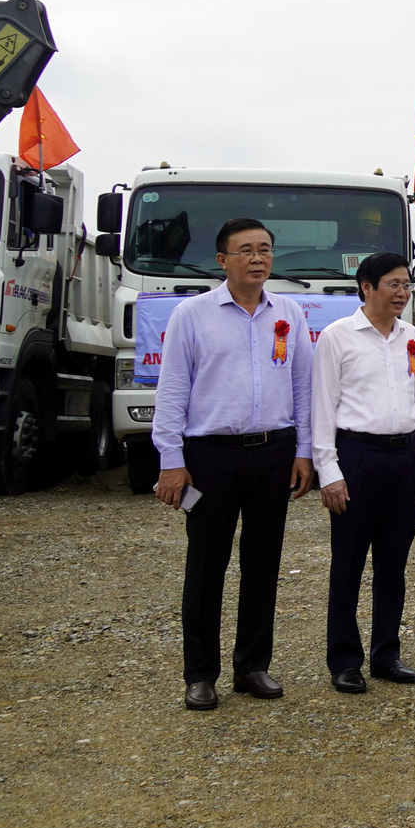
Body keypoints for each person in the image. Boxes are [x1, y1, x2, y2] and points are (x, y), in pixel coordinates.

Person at [152, 217, 315, 711]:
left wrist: (303, 451)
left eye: (265, 249)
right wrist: (171, 460)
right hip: (211, 456)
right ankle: (201, 673)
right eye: (245, 250)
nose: (258, 258)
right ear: (222, 260)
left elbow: (303, 387)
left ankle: (252, 666)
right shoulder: (193, 314)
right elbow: (173, 390)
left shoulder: (288, 312)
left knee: (263, 563)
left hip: (273, 452)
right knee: (207, 565)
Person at [312, 252, 415, 694]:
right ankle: (344, 659)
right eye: (393, 285)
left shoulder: (412, 337)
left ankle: (386, 654)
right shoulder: (339, 337)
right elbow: (322, 405)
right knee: (349, 564)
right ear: (366, 287)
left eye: (406, 285)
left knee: (393, 565)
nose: (401, 293)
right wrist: (329, 471)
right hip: (356, 456)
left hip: (404, 458)